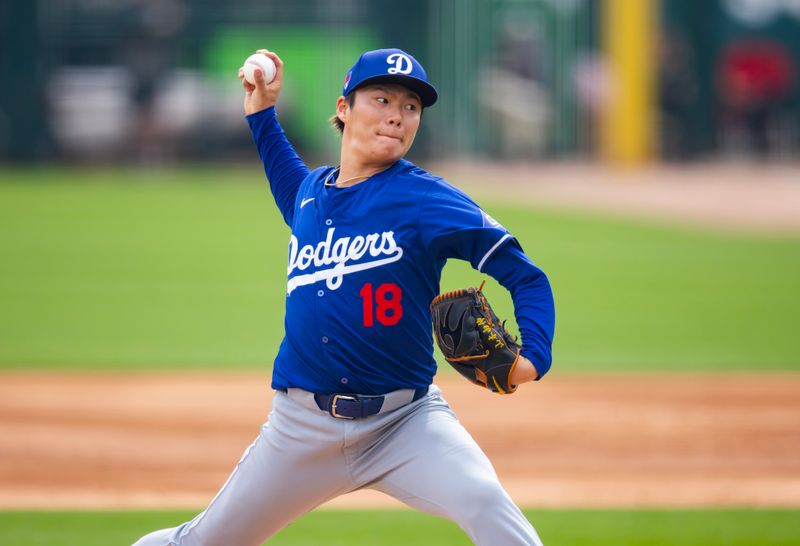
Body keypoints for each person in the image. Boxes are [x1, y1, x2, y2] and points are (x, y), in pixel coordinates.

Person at [133, 47, 555, 546]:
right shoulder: (311, 194)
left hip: (407, 423)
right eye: (381, 99)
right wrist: (261, 113)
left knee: (487, 503)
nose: (397, 115)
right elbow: (285, 178)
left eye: (411, 106)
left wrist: (533, 357)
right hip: (300, 430)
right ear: (343, 108)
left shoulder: (426, 199)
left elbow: (526, 275)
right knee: (201, 542)